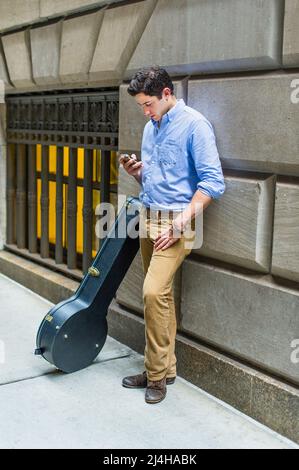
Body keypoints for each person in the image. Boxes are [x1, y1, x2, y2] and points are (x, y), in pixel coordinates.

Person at [119, 66, 225, 404]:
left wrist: (179, 224)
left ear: (167, 94)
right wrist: (138, 174)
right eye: (141, 106)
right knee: (160, 296)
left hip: (176, 224)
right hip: (149, 217)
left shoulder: (195, 125)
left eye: (148, 104)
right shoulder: (152, 128)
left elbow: (212, 184)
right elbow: (158, 179)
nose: (145, 112)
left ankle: (155, 377)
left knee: (151, 292)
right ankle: (167, 368)